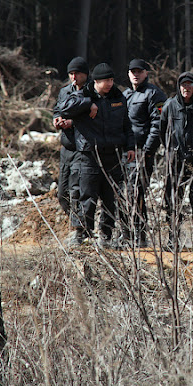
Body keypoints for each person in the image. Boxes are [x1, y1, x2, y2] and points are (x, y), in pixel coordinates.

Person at [59, 63, 135, 248]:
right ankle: (83, 234)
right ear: (96, 81)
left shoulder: (118, 97)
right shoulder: (83, 95)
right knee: (87, 197)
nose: (109, 84)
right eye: (105, 81)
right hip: (89, 155)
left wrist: (130, 146)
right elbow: (64, 107)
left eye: (111, 80)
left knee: (111, 199)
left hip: (114, 155)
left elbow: (127, 124)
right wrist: (88, 104)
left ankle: (106, 236)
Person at [156, 72, 193, 251]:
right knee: (172, 201)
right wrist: (171, 150)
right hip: (174, 162)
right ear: (179, 86)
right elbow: (162, 132)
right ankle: (172, 239)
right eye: (184, 85)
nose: (187, 88)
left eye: (190, 85)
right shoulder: (169, 105)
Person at [122, 58, 167, 247]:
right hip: (124, 152)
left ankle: (139, 237)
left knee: (136, 193)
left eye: (139, 71)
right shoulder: (124, 95)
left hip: (142, 152)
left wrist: (147, 151)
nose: (135, 74)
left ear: (146, 73)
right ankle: (126, 236)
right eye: (132, 71)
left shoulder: (154, 94)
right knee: (123, 194)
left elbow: (158, 125)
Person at [52, 57, 89, 218]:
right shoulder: (65, 91)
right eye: (71, 74)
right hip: (66, 147)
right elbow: (57, 109)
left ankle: (81, 229)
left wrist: (72, 122)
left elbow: (94, 116)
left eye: (77, 74)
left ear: (85, 74)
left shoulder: (92, 92)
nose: (74, 77)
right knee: (62, 193)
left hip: (82, 148)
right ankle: (75, 221)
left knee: (77, 190)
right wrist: (57, 119)